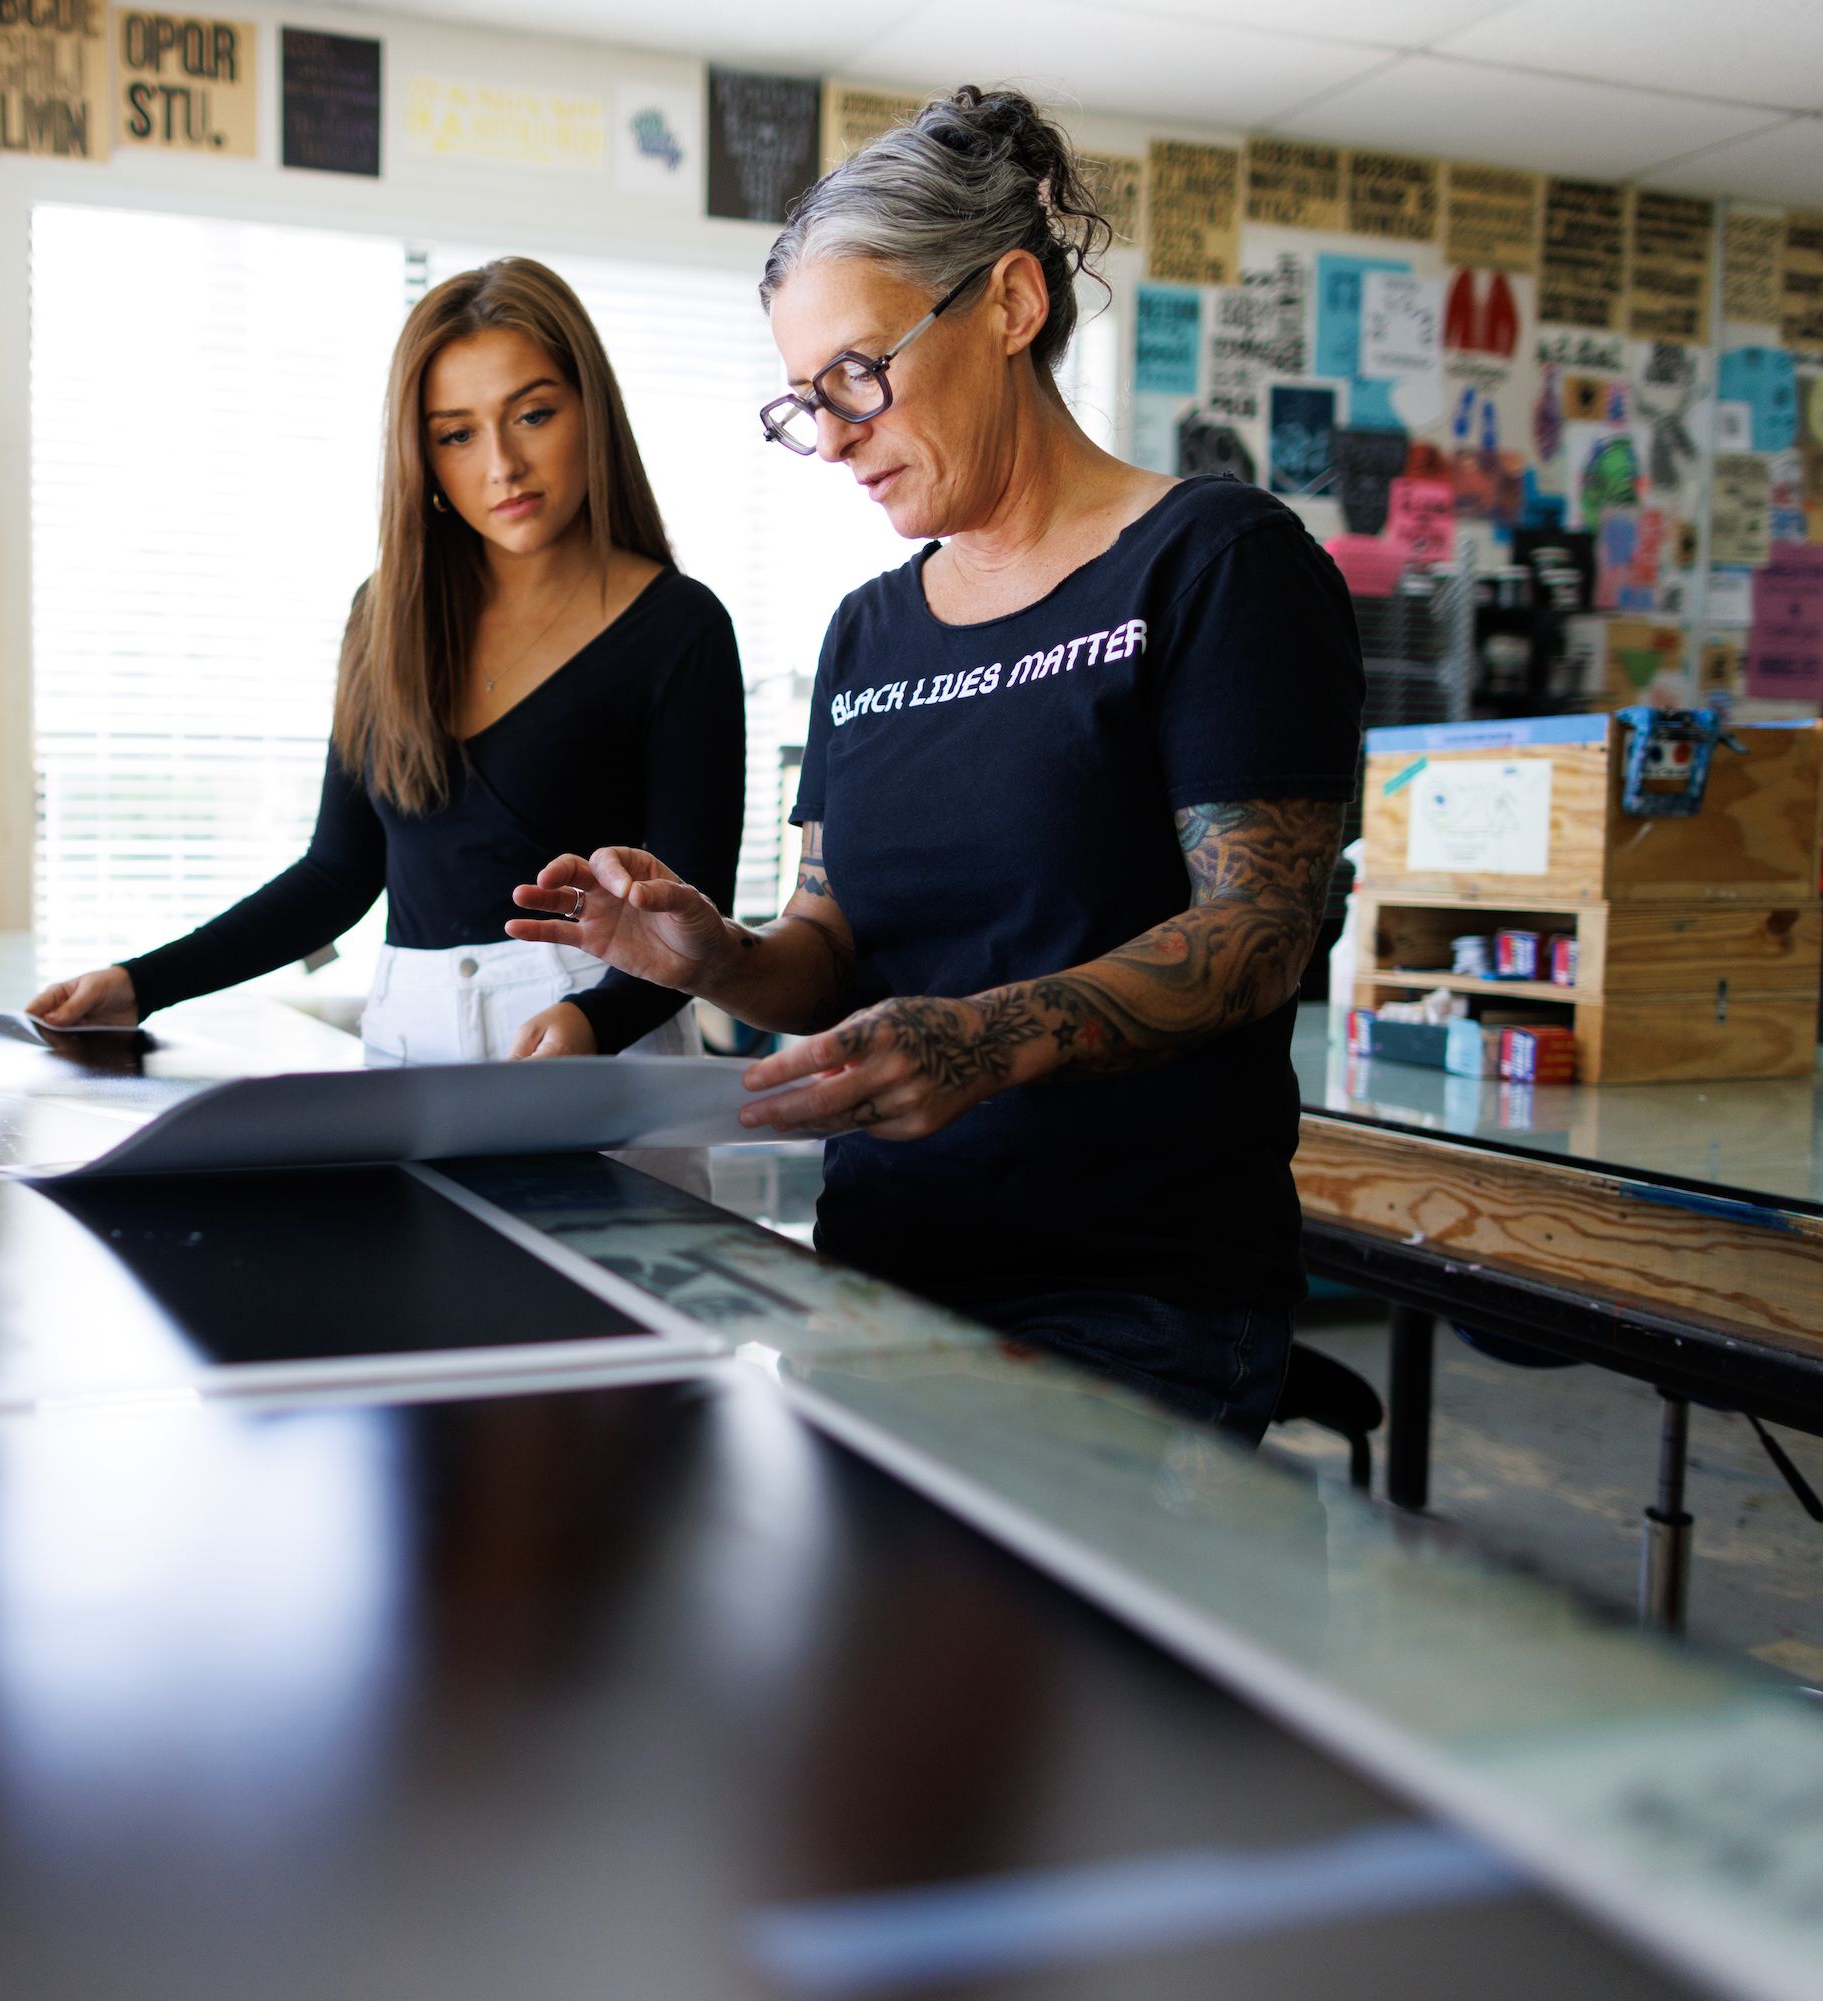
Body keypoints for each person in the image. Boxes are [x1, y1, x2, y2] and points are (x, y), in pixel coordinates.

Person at [506, 88, 1365, 1441]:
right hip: (885, 1278)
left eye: (857, 372)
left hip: (1135, 1297)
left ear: (1010, 304)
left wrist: (986, 1038)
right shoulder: (870, 631)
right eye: (804, 401)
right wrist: (714, 958)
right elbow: (835, 943)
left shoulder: (1218, 564)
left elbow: (1258, 932)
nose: (836, 431)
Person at [28, 257, 744, 1065]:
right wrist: (140, 982)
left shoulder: (681, 627)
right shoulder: (386, 616)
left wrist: (595, 1020)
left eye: (533, 414)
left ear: (592, 411)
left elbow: (694, 917)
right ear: (424, 456)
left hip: (601, 1046)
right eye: (457, 434)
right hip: (409, 1038)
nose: (501, 464)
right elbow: (337, 875)